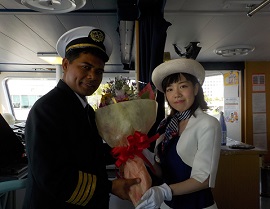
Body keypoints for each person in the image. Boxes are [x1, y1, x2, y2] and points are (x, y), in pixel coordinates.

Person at [23, 26, 140, 209]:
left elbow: (89, 154)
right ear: (65, 65)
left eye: (99, 71)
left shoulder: (85, 109)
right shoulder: (47, 110)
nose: (93, 76)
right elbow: (51, 176)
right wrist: (108, 186)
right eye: (86, 67)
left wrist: (126, 150)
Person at [136, 58, 221, 209]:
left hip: (197, 205)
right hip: (167, 205)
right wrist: (145, 157)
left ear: (195, 89)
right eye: (169, 89)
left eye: (183, 86)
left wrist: (164, 191)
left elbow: (204, 179)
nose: (176, 94)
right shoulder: (166, 125)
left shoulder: (208, 124)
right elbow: (163, 172)